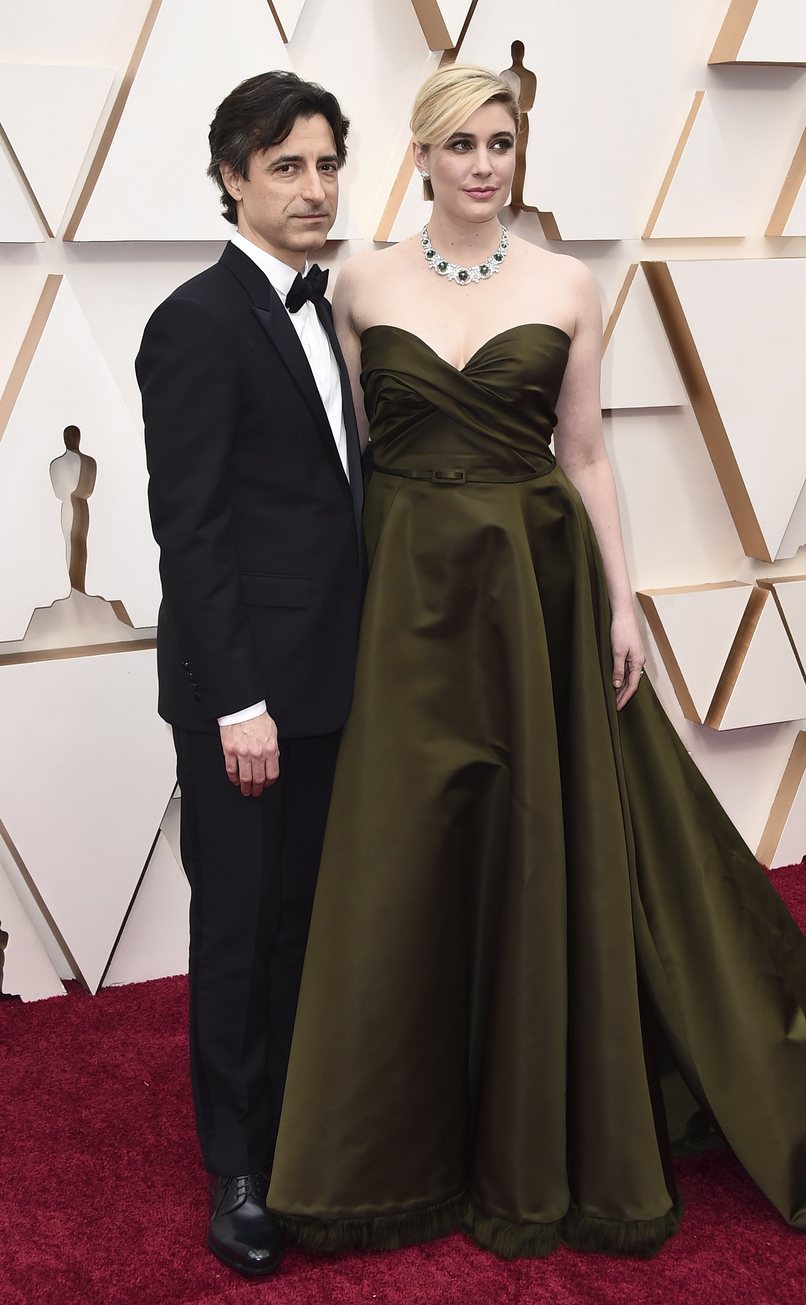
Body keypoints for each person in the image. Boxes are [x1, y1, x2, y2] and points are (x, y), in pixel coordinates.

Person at [269, 66, 806, 1276]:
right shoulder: (361, 283)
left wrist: (624, 604)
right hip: (409, 601)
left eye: (503, 143)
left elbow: (584, 453)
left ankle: (538, 1127)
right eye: (463, 144)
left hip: (538, 595)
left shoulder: (569, 284)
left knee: (543, 835)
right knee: (406, 850)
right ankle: (391, 1146)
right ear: (421, 157)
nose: (486, 164)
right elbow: (361, 456)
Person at [136, 70, 363, 1278]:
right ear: (232, 177)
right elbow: (194, 530)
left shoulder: (338, 310)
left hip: (339, 679)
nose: (314, 188)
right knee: (236, 925)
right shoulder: (195, 320)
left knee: (306, 929)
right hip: (249, 696)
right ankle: (236, 1170)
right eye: (287, 166)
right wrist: (238, 702)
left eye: (327, 165)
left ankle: (297, 1139)